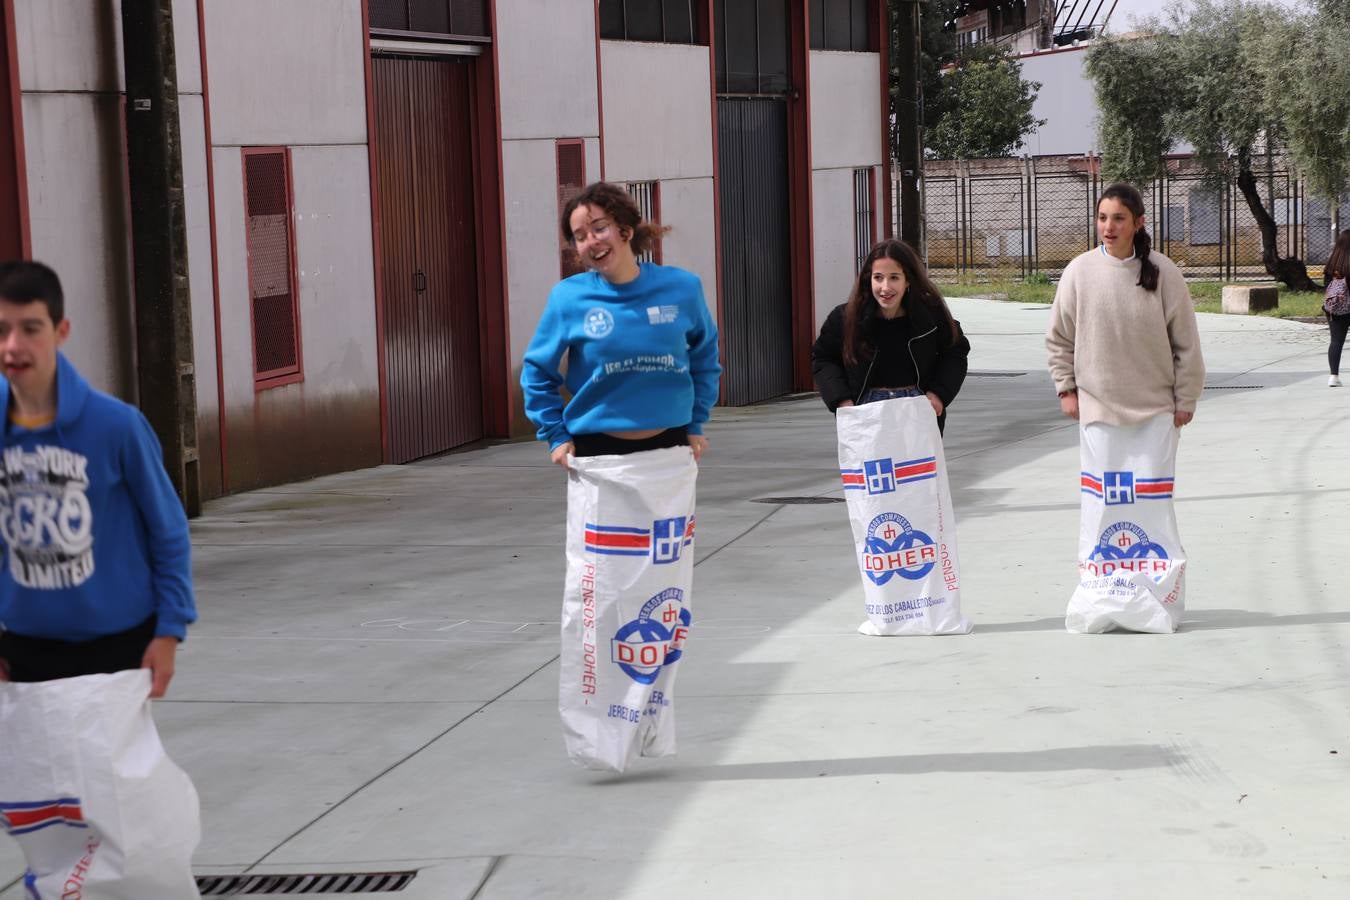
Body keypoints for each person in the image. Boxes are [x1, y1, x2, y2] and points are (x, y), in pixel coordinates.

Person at [0, 260, 196, 698]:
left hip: (118, 650)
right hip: (23, 652)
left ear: (61, 331)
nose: (14, 346)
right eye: (2, 330)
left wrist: (169, 632)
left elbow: (167, 530)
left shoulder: (117, 426)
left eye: (31, 328)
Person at [521, 182, 721, 463]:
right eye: (580, 236)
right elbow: (537, 372)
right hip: (594, 455)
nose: (591, 241)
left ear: (625, 229)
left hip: (672, 448)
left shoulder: (682, 288)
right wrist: (556, 435)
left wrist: (696, 421)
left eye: (600, 228)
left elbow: (705, 358)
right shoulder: (568, 298)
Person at [1046, 183, 1205, 426]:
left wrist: (1186, 398)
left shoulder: (1164, 271)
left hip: (1158, 413)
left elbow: (1187, 343)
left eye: (1119, 218)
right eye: (1102, 218)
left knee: (1152, 468)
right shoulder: (1078, 271)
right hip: (1097, 413)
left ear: (1139, 222)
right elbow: (1059, 338)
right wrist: (1066, 389)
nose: (1108, 227)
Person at [811, 238, 970, 432]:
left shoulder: (931, 316)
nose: (885, 288)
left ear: (908, 280)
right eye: (878, 277)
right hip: (864, 412)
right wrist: (842, 400)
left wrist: (938, 394)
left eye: (894, 277)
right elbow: (823, 358)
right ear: (868, 279)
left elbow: (955, 352)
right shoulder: (845, 318)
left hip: (918, 410)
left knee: (918, 464)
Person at [1322, 229, 1350, 387]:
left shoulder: (1332, 263)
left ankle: (1333, 376)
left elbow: (1326, 286)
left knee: (1336, 341)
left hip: (1335, 308)